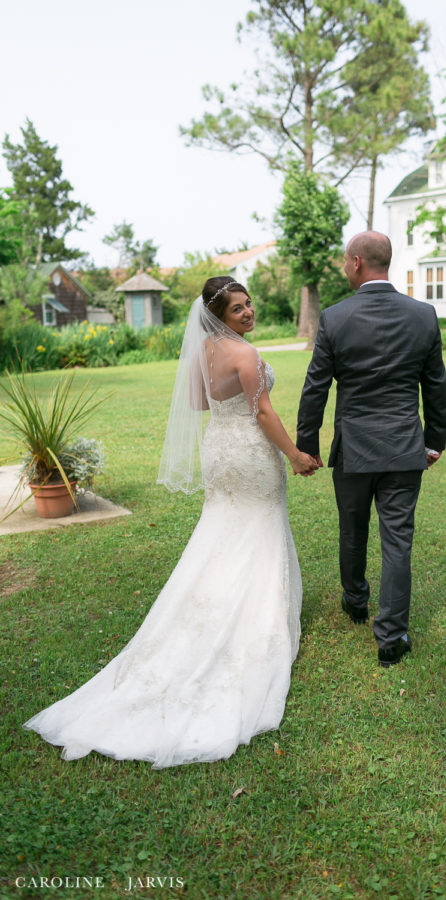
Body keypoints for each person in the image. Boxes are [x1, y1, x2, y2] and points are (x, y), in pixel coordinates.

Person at [23, 277, 317, 768]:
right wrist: (294, 455)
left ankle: (207, 604)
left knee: (222, 530)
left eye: (249, 305)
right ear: (219, 314)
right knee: (257, 528)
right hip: (248, 451)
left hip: (219, 451)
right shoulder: (244, 355)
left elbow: (200, 404)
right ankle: (253, 623)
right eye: (238, 308)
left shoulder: (204, 350)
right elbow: (262, 411)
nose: (248, 313)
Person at [296, 231, 446, 667]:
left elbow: (315, 389)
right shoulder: (423, 314)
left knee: (353, 527)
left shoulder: (334, 317)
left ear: (358, 262)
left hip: (354, 448)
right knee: (398, 540)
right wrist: (434, 441)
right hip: (404, 446)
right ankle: (392, 636)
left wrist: (307, 445)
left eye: (346, 260)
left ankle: (355, 600)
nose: (345, 267)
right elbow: (434, 386)